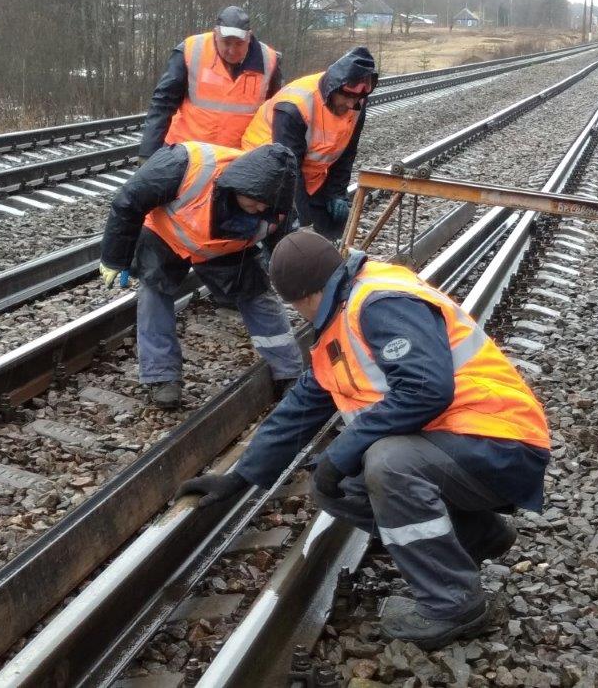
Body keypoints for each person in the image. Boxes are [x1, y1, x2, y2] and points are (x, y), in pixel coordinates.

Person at [177, 231, 551, 650]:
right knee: (334, 487)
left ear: (305, 296)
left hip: (500, 439)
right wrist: (240, 476)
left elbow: (427, 389)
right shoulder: (339, 322)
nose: (297, 314)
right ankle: (476, 537)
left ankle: (454, 605)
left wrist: (346, 449)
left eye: (294, 305)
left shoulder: (378, 303)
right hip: (457, 443)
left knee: (386, 463)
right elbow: (301, 408)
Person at [99, 142, 304, 409]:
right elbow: (128, 202)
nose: (257, 209)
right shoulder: (181, 165)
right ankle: (162, 377)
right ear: (239, 186)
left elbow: (288, 252)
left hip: (226, 248)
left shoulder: (280, 207)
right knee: (153, 294)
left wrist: (302, 288)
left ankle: (288, 372)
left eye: (264, 207)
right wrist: (116, 257)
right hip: (167, 236)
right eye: (253, 203)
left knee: (258, 296)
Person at [242, 47, 378, 240]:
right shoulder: (295, 106)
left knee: (332, 226)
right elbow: (289, 171)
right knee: (292, 235)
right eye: (346, 99)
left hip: (308, 173)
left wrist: (336, 193)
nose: (350, 106)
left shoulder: (357, 103)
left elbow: (347, 153)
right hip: (266, 173)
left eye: (356, 100)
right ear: (333, 88)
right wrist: (302, 224)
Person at [137, 6, 284, 162]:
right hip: (185, 154)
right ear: (215, 34)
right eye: (226, 42)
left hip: (236, 160)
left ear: (249, 37)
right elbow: (163, 103)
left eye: (239, 44)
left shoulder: (268, 61)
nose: (232, 50)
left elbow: (275, 115)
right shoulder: (192, 50)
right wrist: (148, 153)